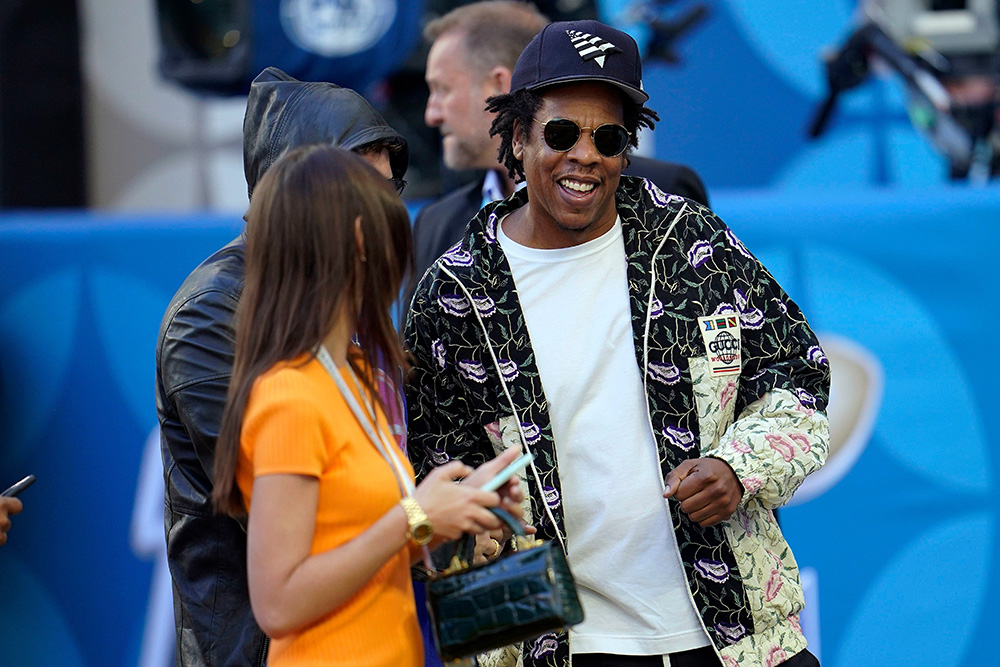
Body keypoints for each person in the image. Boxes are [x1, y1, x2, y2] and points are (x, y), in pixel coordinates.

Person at [405, 19, 830, 667]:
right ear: (517, 138)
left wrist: (737, 469)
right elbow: (440, 484)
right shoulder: (457, 293)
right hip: (562, 646)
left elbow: (798, 374)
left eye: (608, 137)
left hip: (734, 635)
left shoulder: (690, 242)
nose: (586, 154)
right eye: (559, 133)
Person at [211, 144, 525, 666]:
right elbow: (278, 602)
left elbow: (367, 549)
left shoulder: (351, 376)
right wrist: (416, 516)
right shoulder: (290, 394)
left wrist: (460, 511)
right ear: (361, 240)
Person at [155, 67, 409, 666]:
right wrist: (421, 516)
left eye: (387, 192)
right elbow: (304, 523)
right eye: (360, 199)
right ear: (299, 197)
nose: (380, 219)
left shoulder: (341, 307)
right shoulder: (212, 313)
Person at [412, 0, 709, 288]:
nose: (431, 114)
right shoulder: (435, 225)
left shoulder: (666, 193)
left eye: (443, 89)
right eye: (562, 133)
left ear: (499, 85)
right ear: (516, 137)